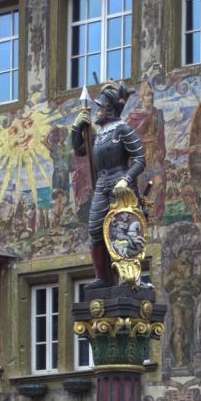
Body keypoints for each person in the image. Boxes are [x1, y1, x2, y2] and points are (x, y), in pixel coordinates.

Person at [69, 81, 146, 288]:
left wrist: (126, 179)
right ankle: (102, 277)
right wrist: (77, 127)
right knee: (95, 229)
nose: (98, 111)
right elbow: (79, 150)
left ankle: (128, 275)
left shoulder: (122, 130)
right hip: (102, 184)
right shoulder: (98, 134)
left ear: (110, 108)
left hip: (119, 183)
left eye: (101, 107)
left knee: (121, 229)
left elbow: (140, 159)